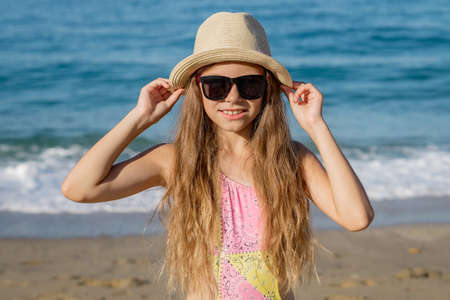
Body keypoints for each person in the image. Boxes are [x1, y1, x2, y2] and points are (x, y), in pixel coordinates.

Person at [62, 12, 374, 300]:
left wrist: (316, 126)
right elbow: (79, 188)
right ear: (198, 90)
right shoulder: (176, 161)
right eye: (216, 86)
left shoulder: (290, 159)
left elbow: (356, 218)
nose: (233, 97)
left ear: (268, 90)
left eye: (250, 84)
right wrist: (140, 118)